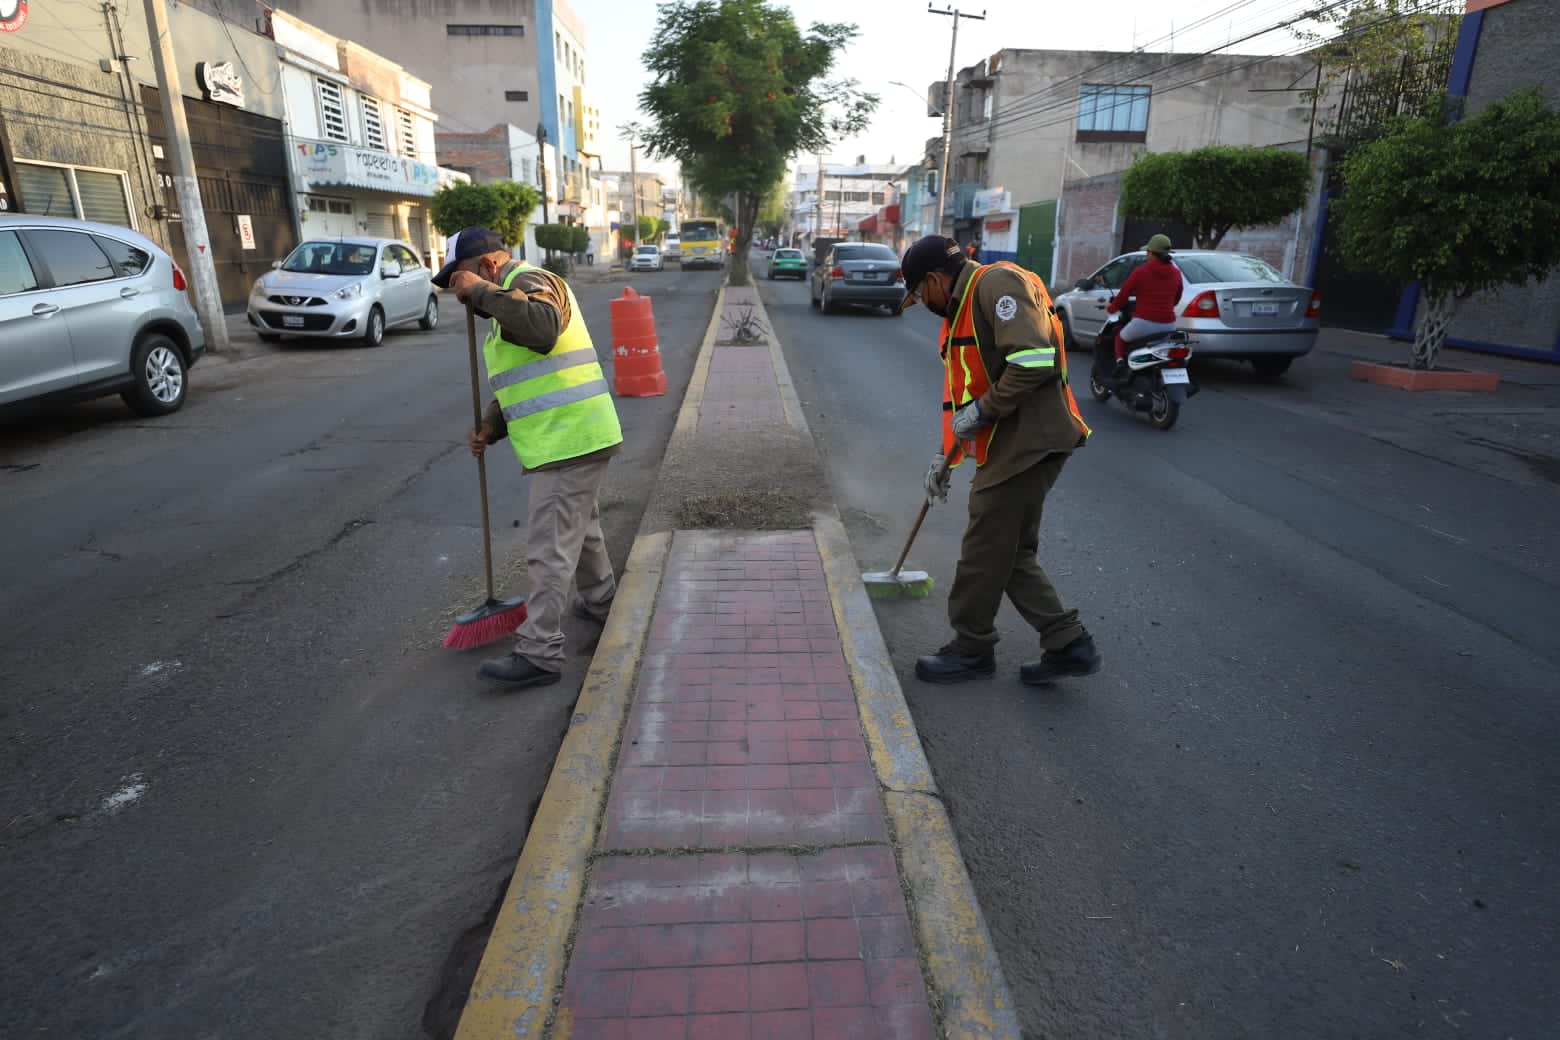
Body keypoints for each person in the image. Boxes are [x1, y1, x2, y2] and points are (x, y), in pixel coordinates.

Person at [899, 235, 1101, 687]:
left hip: (1030, 440)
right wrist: (944, 459)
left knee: (983, 550)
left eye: (919, 294)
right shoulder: (957, 315)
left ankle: (971, 649)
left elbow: (1034, 361)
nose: (922, 304)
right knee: (1009, 553)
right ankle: (1068, 643)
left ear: (934, 279)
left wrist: (984, 410)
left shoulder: (996, 285)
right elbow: (961, 399)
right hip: (1011, 442)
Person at [435, 227, 623, 689]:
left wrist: (481, 292)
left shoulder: (529, 281)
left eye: (461, 280)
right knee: (580, 530)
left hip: (569, 439)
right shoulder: (509, 300)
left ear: (488, 266)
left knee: (549, 548)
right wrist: (491, 425)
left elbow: (543, 328)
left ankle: (540, 651)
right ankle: (603, 601)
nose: (461, 295)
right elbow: (530, 378)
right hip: (573, 437)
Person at [1108, 233, 1183, 382]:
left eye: (1147, 252)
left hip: (1144, 323)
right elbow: (1176, 298)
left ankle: (1120, 364)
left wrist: (1111, 308)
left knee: (1120, 338)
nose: (1146, 255)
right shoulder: (1176, 273)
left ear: (1152, 253)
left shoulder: (1140, 272)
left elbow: (1123, 296)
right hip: (1169, 325)